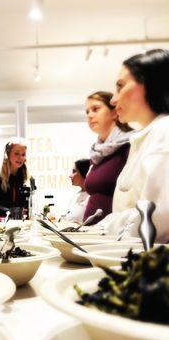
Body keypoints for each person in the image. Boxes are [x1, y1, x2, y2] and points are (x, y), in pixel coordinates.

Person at [100, 49, 169, 242]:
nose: (114, 99)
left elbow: (156, 220)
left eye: (121, 86)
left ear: (150, 84)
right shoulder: (149, 136)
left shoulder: (164, 132)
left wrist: (106, 225)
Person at [83, 91, 132, 224]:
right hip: (94, 232)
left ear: (114, 112)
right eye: (87, 112)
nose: (90, 115)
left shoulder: (128, 146)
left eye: (95, 109)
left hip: (113, 234)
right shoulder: (97, 153)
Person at [0, 137, 28, 216]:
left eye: (23, 154)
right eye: (16, 153)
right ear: (7, 154)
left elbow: (27, 204)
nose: (21, 158)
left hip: (22, 223)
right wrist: (11, 212)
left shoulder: (26, 178)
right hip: (1, 223)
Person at [63, 159, 90, 223]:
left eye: (74, 171)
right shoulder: (77, 195)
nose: (70, 176)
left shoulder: (92, 197)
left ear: (84, 172)